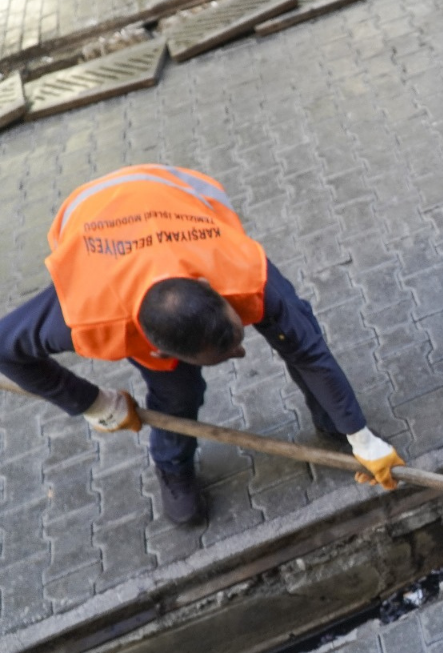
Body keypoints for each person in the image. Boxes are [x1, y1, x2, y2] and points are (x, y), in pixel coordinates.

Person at [0, 165, 405, 525]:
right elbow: (4, 347)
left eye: (236, 341)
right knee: (177, 394)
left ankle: (334, 421)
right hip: (93, 228)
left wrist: (361, 437)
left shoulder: (241, 272)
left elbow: (309, 353)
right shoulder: (87, 315)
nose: (242, 354)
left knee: (296, 332)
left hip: (176, 196)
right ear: (157, 348)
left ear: (212, 289)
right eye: (226, 356)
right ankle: (173, 467)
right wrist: (93, 403)